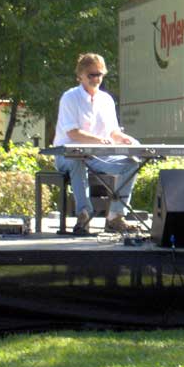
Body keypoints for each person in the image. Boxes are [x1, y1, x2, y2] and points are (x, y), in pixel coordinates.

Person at [53, 53, 140, 235]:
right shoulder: (69, 97)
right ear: (80, 76)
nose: (96, 78)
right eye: (91, 74)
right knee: (77, 160)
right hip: (66, 155)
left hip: (97, 155)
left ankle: (115, 216)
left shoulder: (106, 100)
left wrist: (124, 139)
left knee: (132, 163)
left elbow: (113, 132)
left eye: (99, 74)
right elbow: (72, 132)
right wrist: (99, 140)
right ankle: (84, 214)